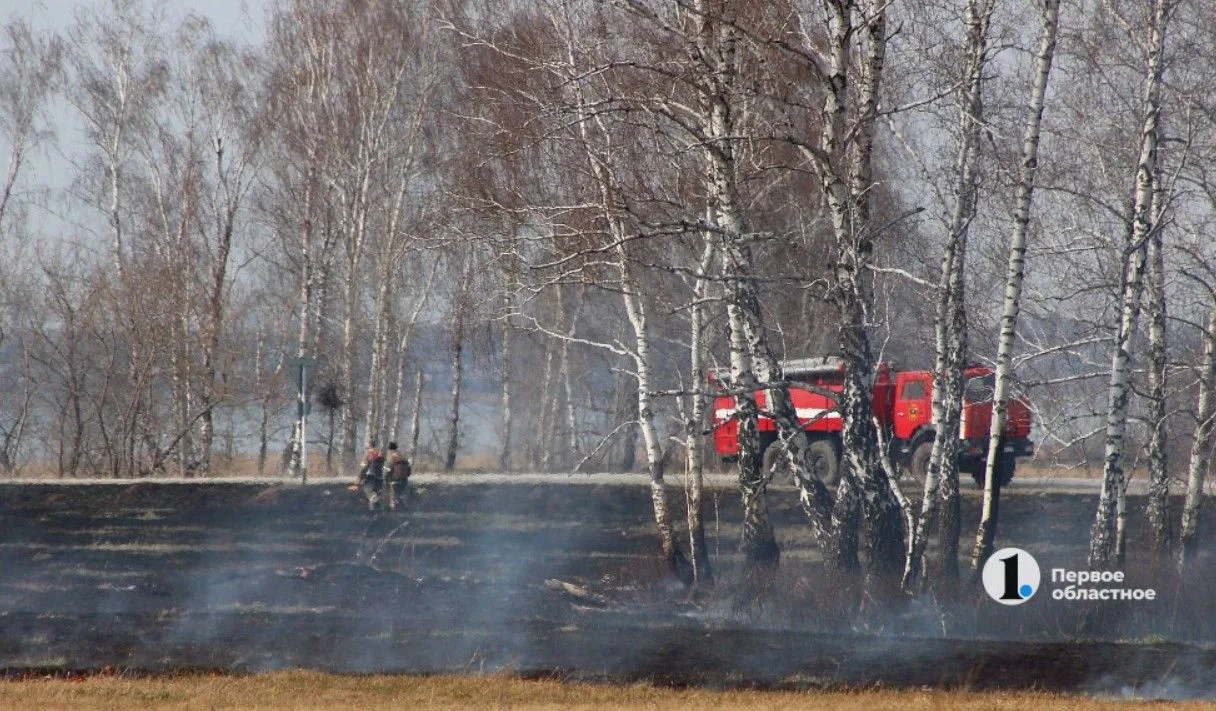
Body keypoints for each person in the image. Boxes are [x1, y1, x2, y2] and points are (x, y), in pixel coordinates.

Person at [355, 440, 385, 511]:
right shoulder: (379, 453)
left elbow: (364, 466)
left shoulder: (368, 454)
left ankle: (373, 503)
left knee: (368, 491)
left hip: (370, 476)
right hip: (380, 477)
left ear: (368, 446)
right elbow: (384, 465)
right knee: (376, 493)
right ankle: (376, 510)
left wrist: (359, 477)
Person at [385, 441, 412, 511]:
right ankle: (402, 501)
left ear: (390, 449)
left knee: (392, 492)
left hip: (394, 479)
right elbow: (409, 468)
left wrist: (385, 478)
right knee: (401, 492)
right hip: (404, 479)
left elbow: (387, 469)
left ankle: (393, 505)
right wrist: (407, 475)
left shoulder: (390, 457)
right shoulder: (402, 456)